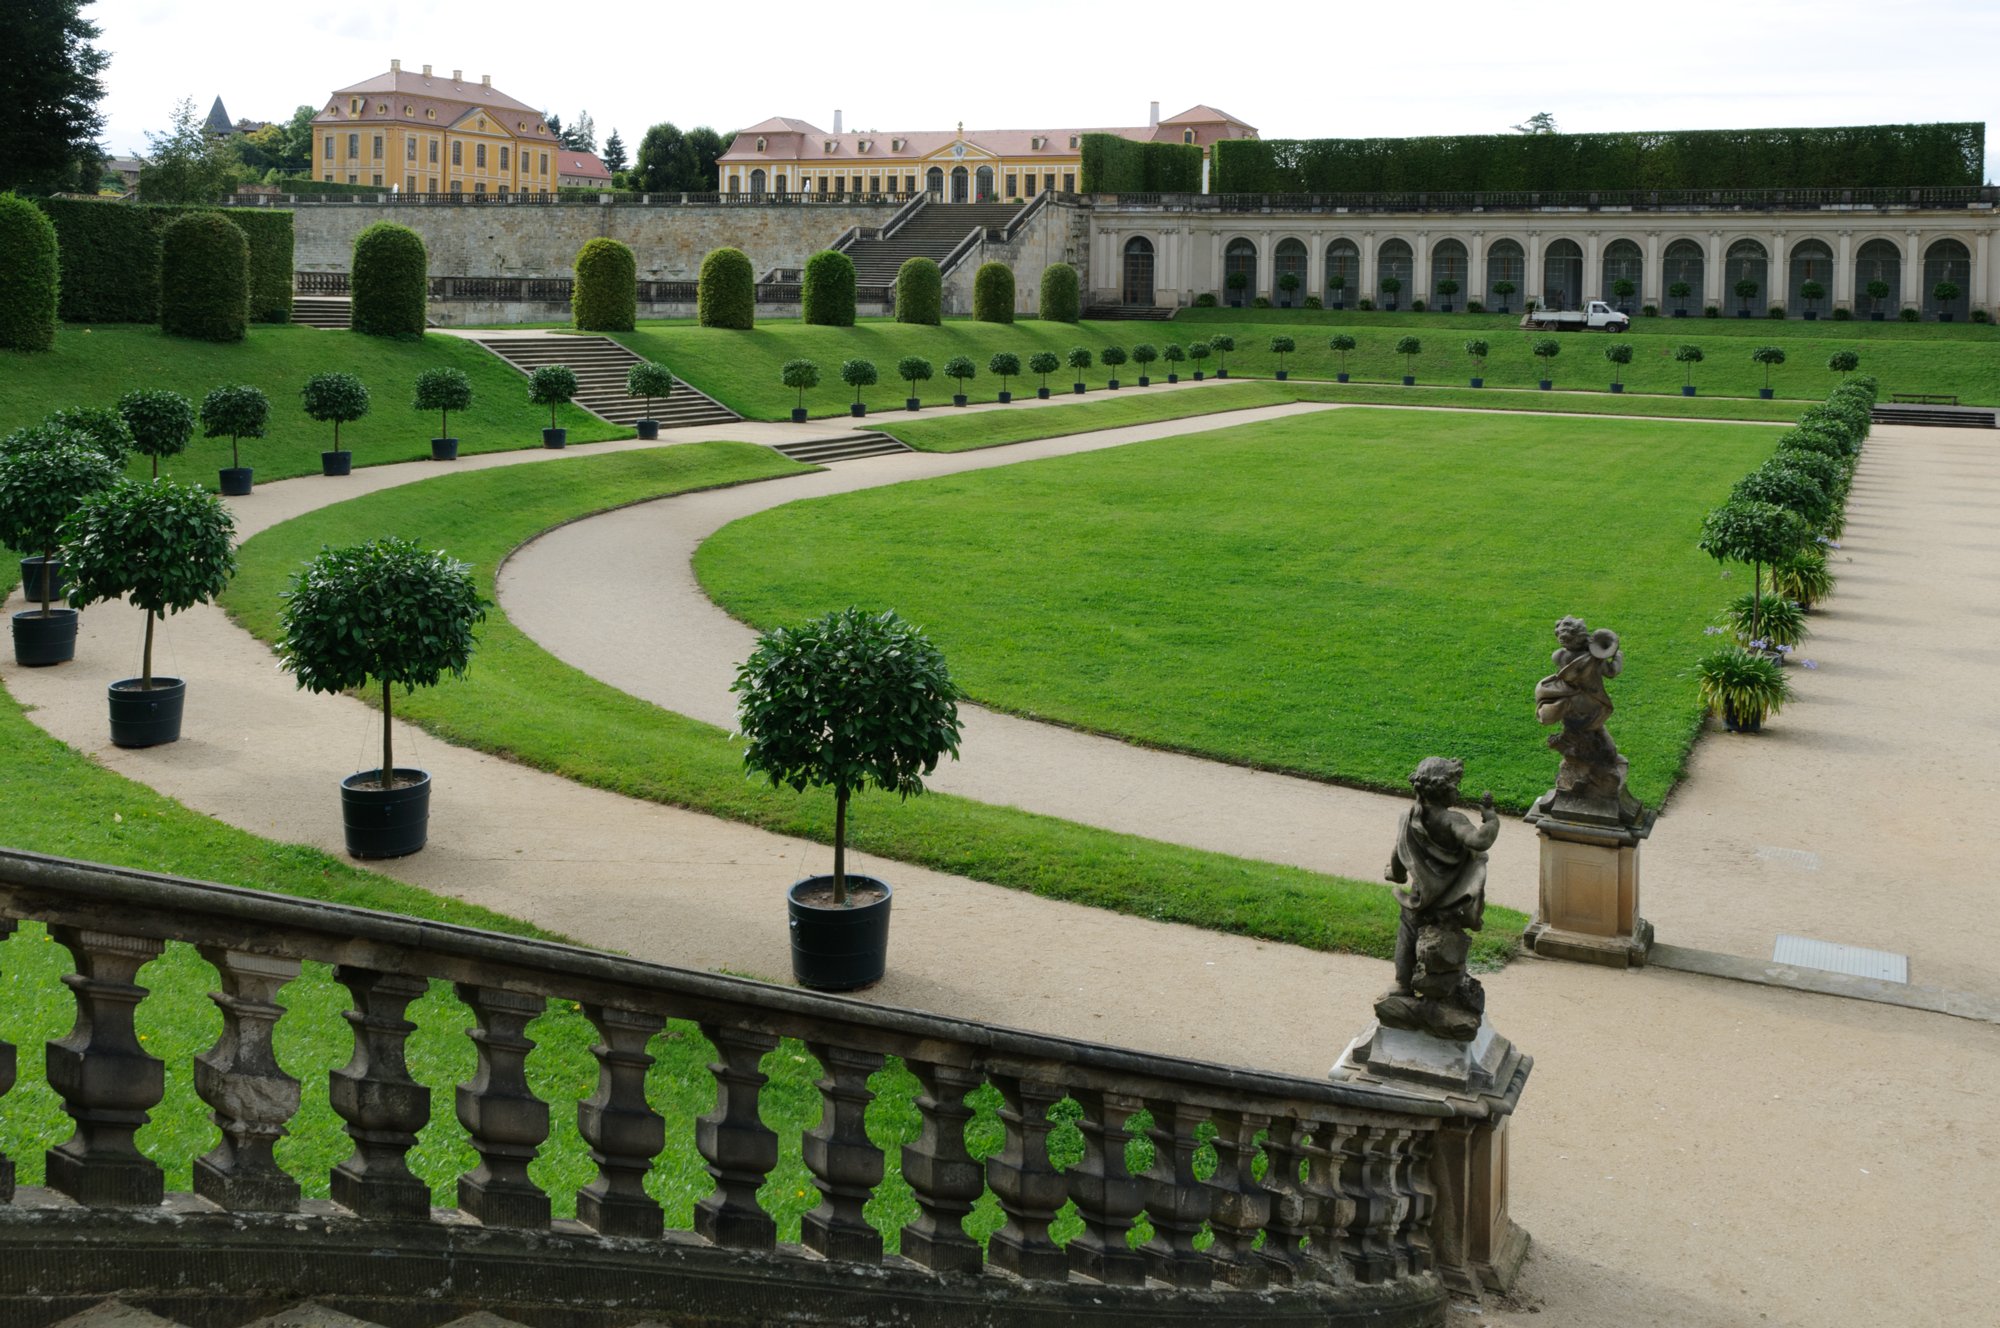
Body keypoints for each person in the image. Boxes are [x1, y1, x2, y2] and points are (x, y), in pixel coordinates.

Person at [1378, 756, 1498, 1041]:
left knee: (1406, 937)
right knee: (1446, 946)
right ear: (1442, 789)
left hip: (1419, 900)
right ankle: (1445, 995)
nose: (1458, 790)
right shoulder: (1453, 820)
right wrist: (1491, 819)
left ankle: (1401, 984)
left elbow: (1398, 856)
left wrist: (1394, 874)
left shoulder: (1408, 818)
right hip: (1449, 903)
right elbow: (1480, 842)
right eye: (1455, 785)